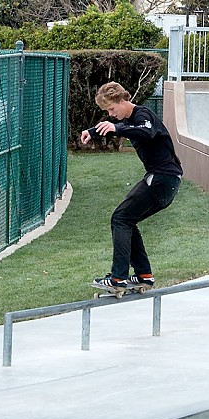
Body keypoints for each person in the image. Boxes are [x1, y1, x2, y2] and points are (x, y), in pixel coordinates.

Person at [80, 82, 184, 292]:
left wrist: (117, 128)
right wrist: (93, 131)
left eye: (111, 109)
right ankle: (143, 275)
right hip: (166, 179)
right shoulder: (129, 120)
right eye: (107, 111)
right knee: (127, 219)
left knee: (120, 218)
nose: (111, 114)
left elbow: (145, 132)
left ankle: (118, 278)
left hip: (163, 178)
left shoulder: (142, 115)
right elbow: (124, 128)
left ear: (122, 100)